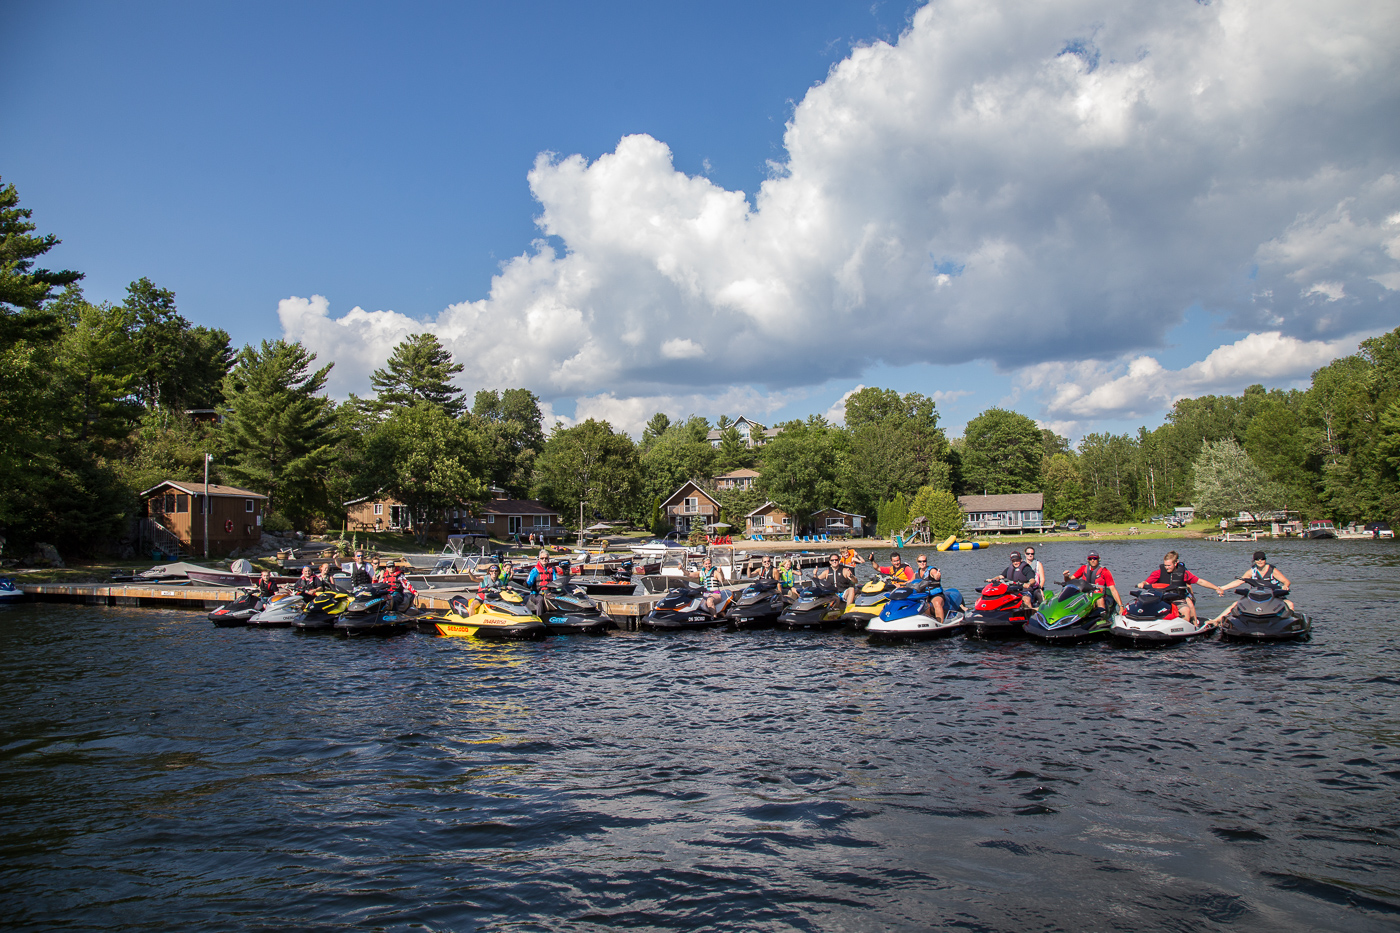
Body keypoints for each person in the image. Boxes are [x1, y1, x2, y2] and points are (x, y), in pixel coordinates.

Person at [1139, 550, 1224, 625]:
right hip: (1162, 600)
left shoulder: (1185, 573)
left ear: (1175, 563)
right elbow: (1147, 582)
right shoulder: (1158, 573)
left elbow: (1200, 581)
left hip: (1178, 599)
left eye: (1169, 565)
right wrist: (1142, 583)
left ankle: (1189, 627)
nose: (1167, 567)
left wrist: (1216, 588)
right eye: (1165, 565)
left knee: (1186, 611)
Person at [1210, 551, 1294, 622]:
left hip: (1273, 595)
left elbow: (1286, 581)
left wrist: (1285, 586)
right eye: (1257, 559)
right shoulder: (1252, 571)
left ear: (1265, 560)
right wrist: (1221, 588)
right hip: (1256, 596)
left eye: (1262, 559)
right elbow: (1239, 581)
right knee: (1235, 604)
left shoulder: (1272, 570)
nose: (1260, 561)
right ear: (1254, 561)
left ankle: (1290, 622)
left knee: (1290, 604)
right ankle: (1216, 620)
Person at [1062, 551, 1123, 616]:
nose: (1092, 560)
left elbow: (1113, 589)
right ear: (1088, 560)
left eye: (1094, 558)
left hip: (1099, 595)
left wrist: (1121, 606)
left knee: (1099, 598)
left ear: (1098, 559)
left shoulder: (1105, 571)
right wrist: (1066, 577)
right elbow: (1069, 581)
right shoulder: (1083, 568)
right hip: (1086, 595)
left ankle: (1102, 617)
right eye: (1090, 559)